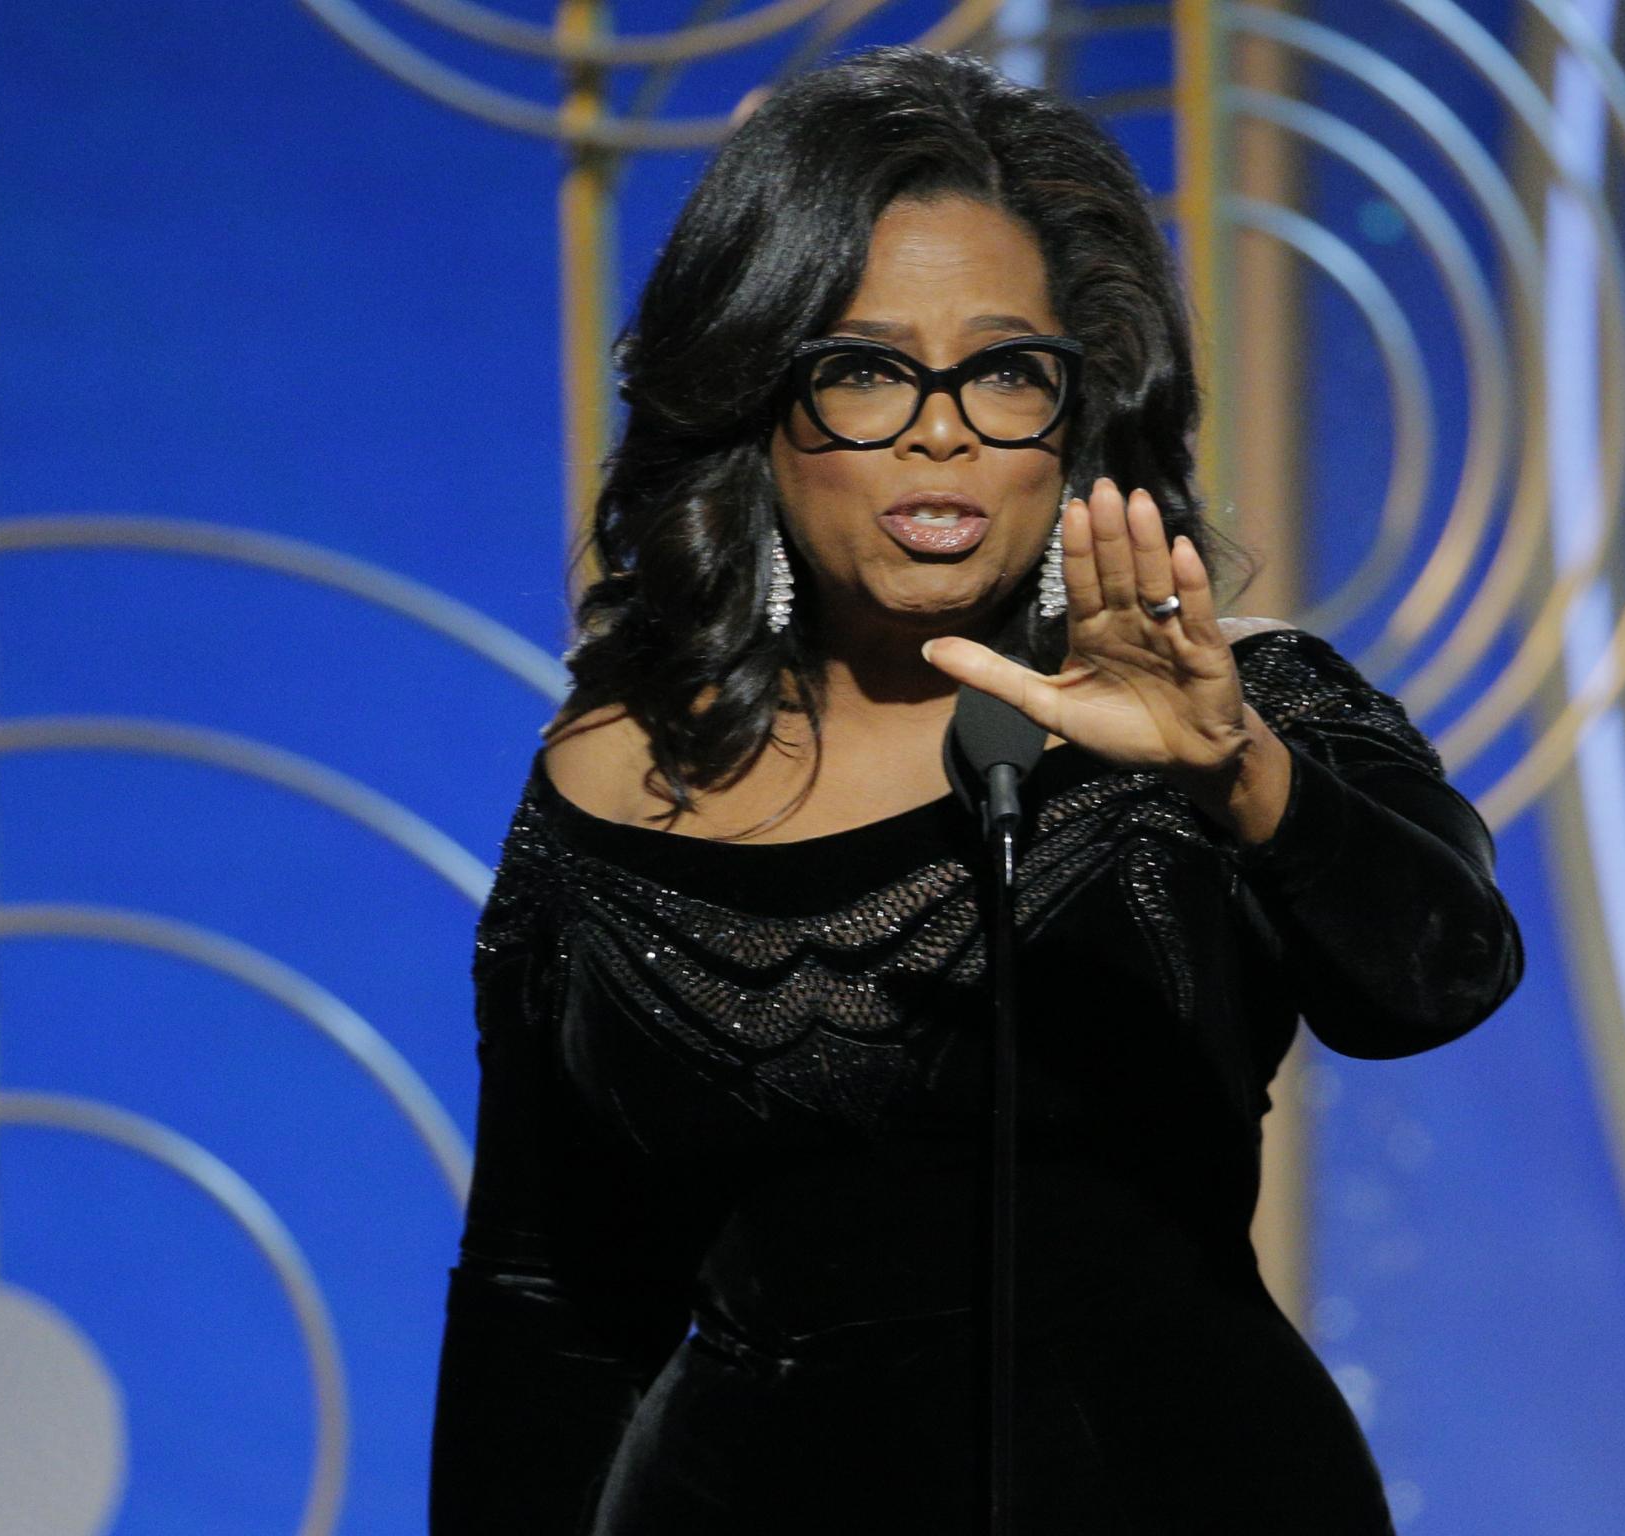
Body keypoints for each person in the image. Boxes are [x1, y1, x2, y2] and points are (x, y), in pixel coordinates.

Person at [427, 45, 1523, 1535]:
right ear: (758, 405)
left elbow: (1440, 976)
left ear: (1077, 419)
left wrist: (1236, 773)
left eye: (1007, 371)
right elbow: (544, 1293)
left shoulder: (1233, 704)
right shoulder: (624, 770)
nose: (939, 429)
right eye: (865, 370)